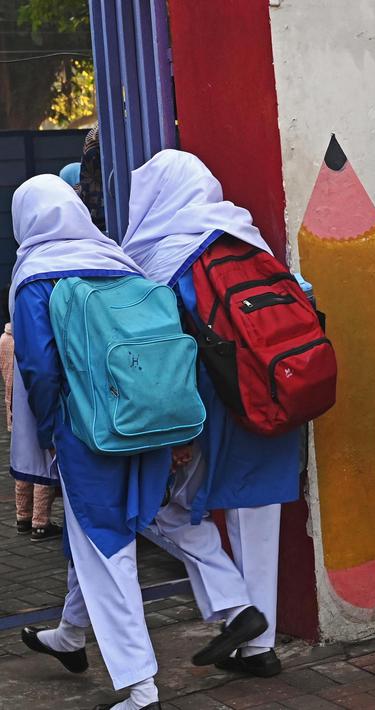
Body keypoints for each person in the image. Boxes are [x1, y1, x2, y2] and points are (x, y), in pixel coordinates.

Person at [120, 149, 298, 675]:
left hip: (211, 408)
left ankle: (233, 605)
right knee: (258, 518)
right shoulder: (246, 236)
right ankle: (257, 648)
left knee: (158, 509)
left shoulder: (165, 256)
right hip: (275, 393)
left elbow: (161, 347)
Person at [11, 175, 168, 710]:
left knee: (106, 548)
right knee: (97, 536)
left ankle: (141, 687)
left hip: (86, 430)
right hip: (148, 420)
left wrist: (52, 431)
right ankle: (70, 635)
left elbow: (37, 367)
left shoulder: (35, 276)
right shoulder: (118, 259)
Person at [4, 320, 60, 541]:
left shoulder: (5, 340)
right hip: (38, 410)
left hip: (15, 412)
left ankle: (22, 516)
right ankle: (40, 523)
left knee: (24, 462)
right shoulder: (35, 344)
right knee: (42, 466)